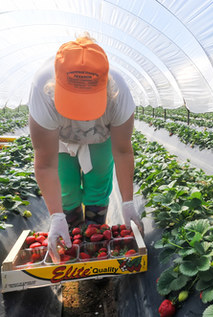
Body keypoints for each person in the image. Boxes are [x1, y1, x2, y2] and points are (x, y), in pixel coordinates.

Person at [28, 33, 143, 263]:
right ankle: (70, 232)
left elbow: (122, 151)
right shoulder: (42, 90)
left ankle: (94, 237)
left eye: (87, 102)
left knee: (98, 185)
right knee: (66, 187)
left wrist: (128, 202)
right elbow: (45, 164)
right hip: (58, 139)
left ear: (107, 88)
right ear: (55, 86)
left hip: (100, 137)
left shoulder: (119, 94)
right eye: (73, 102)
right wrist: (56, 216)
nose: (79, 114)